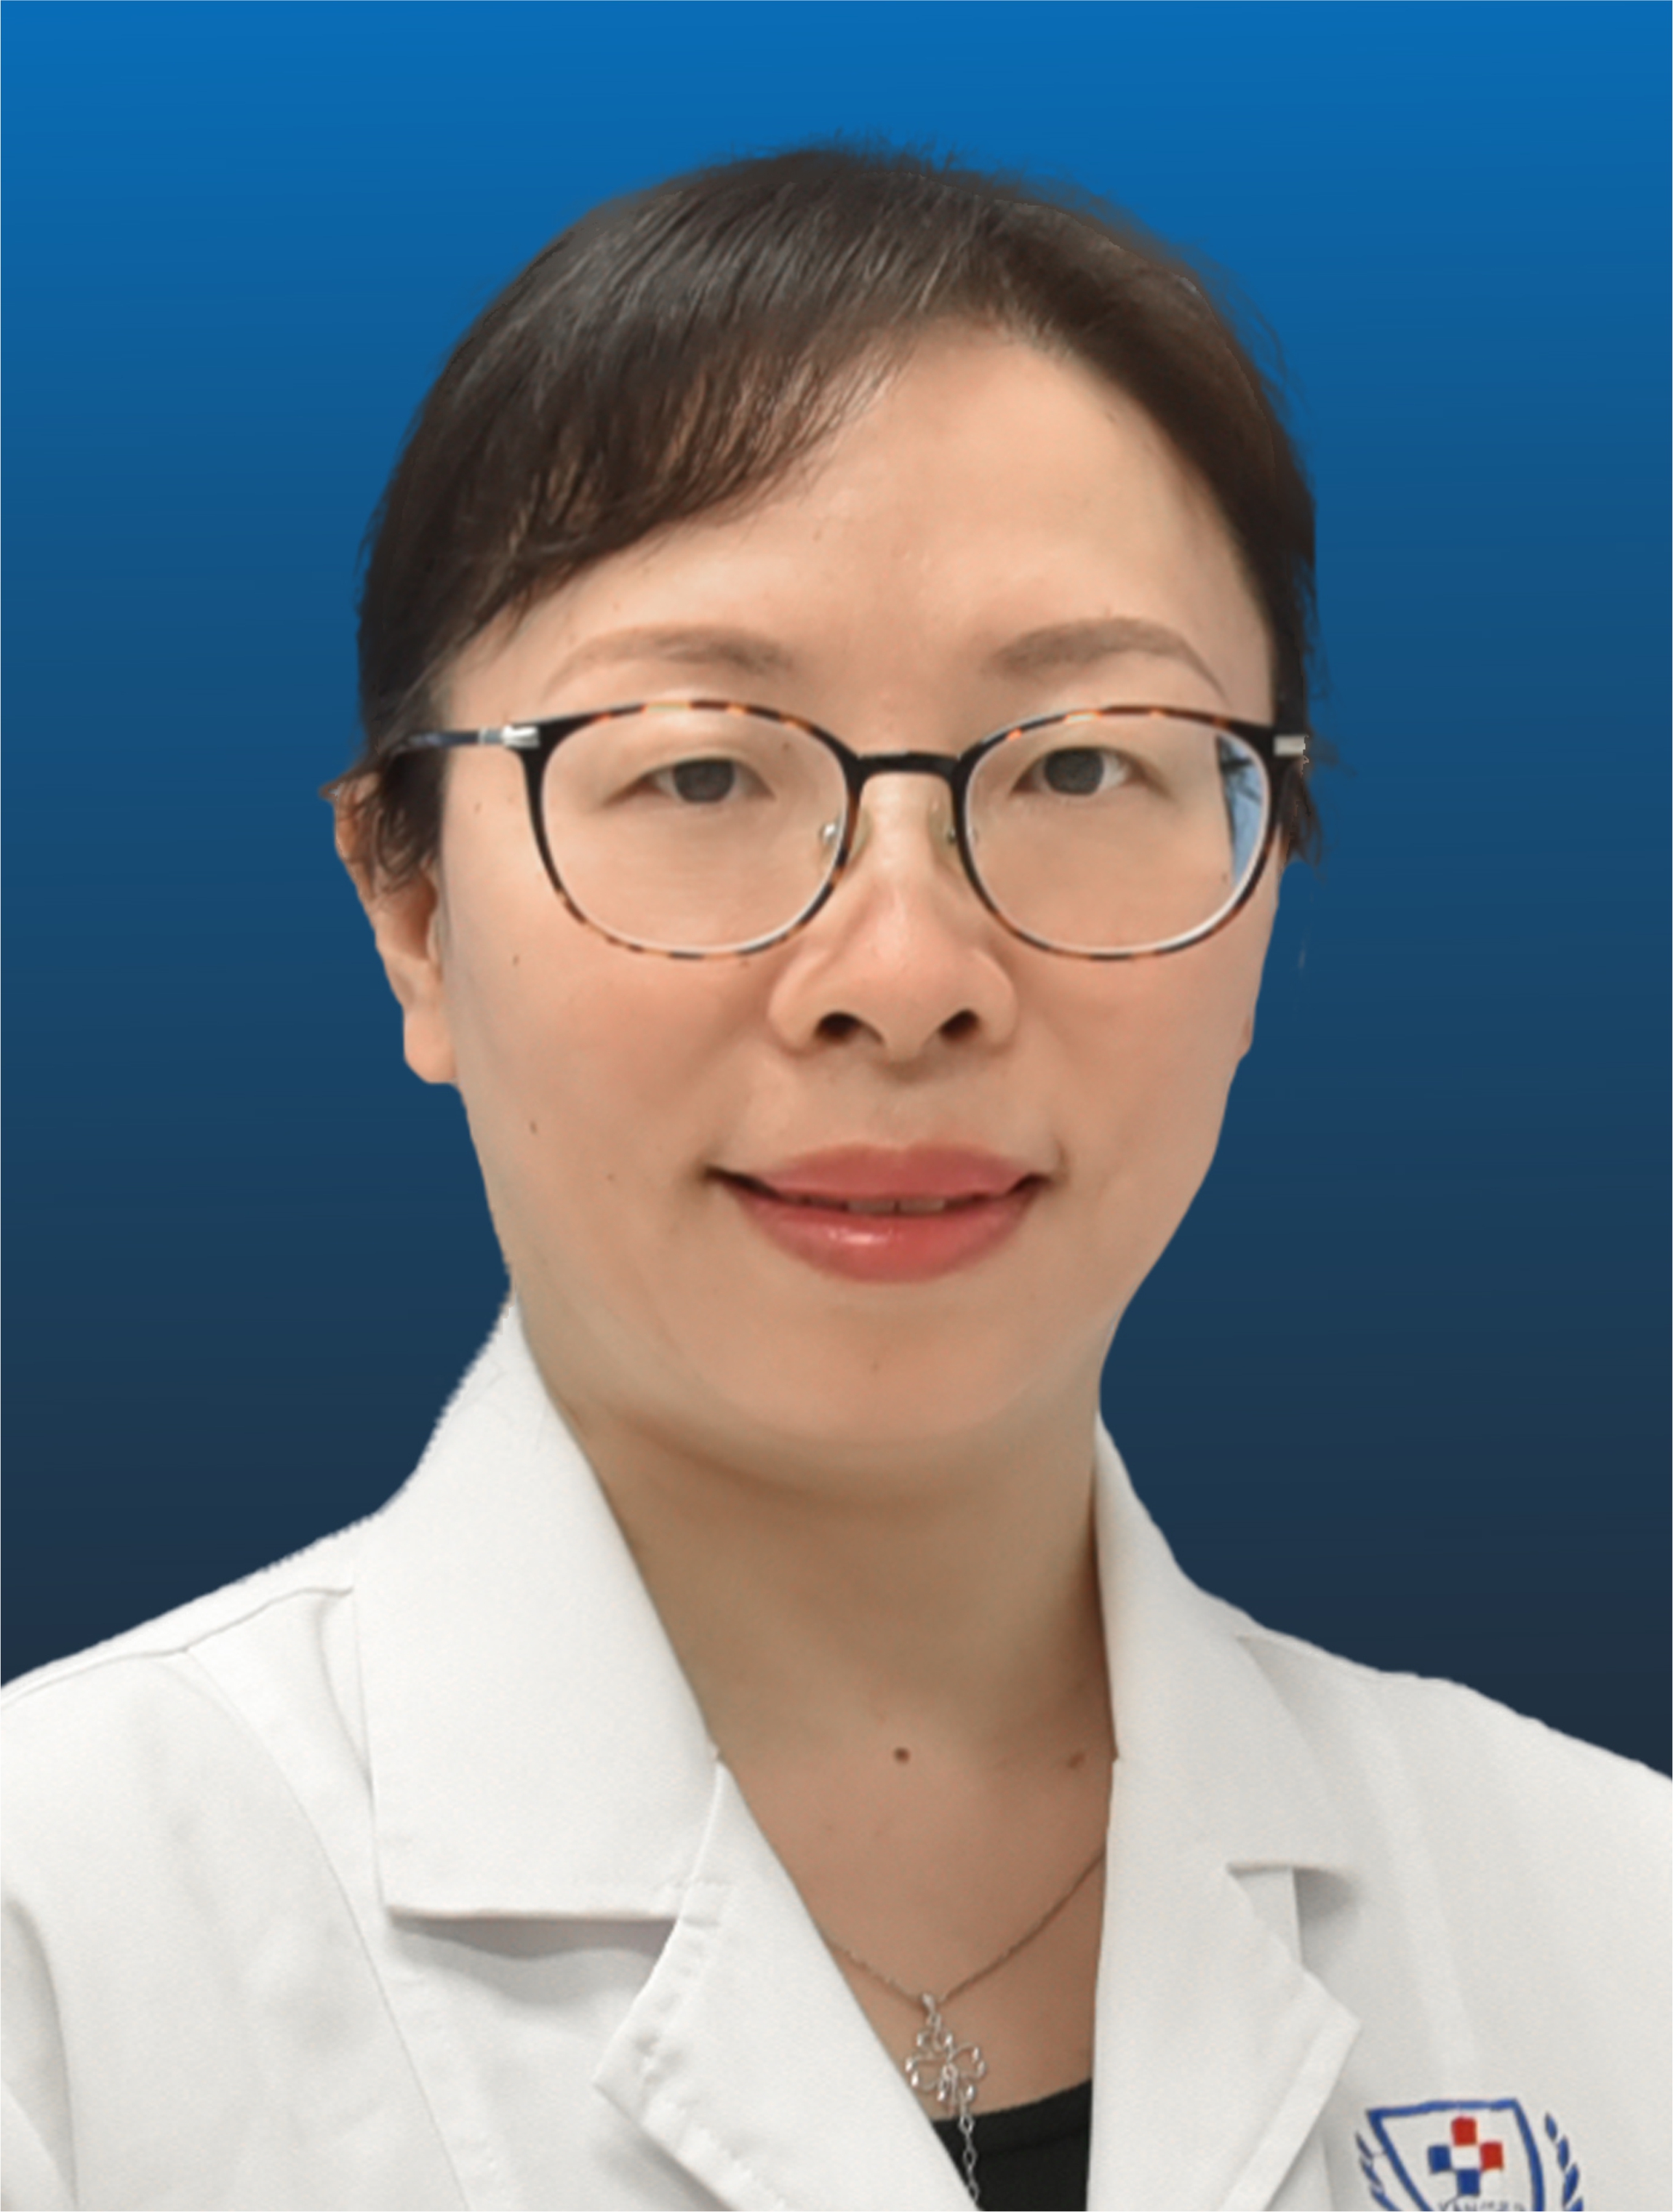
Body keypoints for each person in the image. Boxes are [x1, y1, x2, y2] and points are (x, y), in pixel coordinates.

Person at [2, 140, 1666, 2212]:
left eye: (1082, 762)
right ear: (409, 910)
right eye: (700, 767)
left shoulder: (1611, 1921)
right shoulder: (60, 1950)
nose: (903, 975)